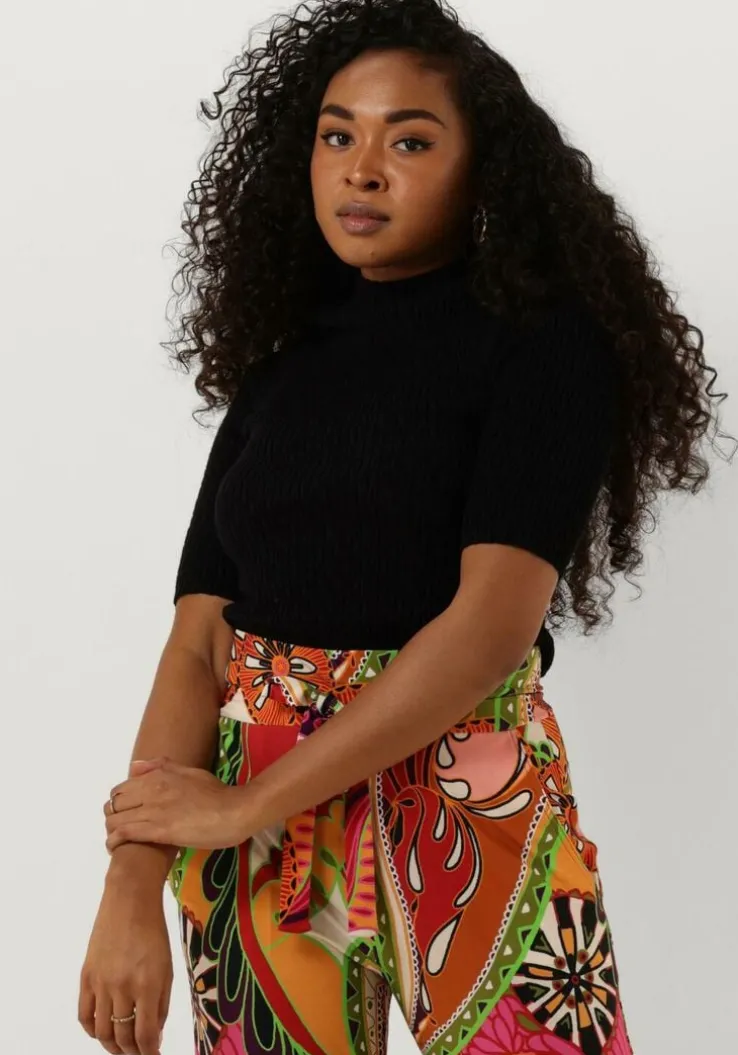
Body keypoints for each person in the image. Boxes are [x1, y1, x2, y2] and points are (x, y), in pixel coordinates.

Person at [78, 2, 734, 1054]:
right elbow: (199, 640)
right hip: (257, 824)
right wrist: (131, 879)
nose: (363, 169)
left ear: (484, 169)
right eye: (337, 135)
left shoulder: (545, 347)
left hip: (469, 790)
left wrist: (246, 806)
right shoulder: (282, 364)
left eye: (411, 141)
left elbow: (490, 628)